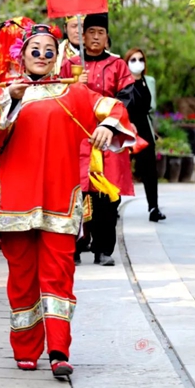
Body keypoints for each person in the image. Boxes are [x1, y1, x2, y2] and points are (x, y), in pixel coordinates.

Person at [0, 24, 135, 379]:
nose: (42, 55)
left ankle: (59, 349)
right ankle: (26, 348)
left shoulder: (74, 92)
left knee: (59, 277)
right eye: (35, 49)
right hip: (16, 201)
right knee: (22, 279)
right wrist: (11, 98)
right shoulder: (3, 91)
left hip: (60, 199)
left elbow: (115, 108)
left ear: (57, 56)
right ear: (22, 55)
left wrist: (108, 126)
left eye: (49, 50)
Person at [61, 13, 136, 266]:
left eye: (100, 33)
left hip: (107, 138)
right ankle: (75, 246)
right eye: (90, 32)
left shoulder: (118, 66)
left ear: (107, 37)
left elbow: (127, 98)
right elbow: (56, 94)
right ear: (81, 36)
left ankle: (103, 249)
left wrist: (110, 125)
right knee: (76, 194)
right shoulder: (70, 63)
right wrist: (72, 82)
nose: (95, 37)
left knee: (106, 197)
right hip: (77, 137)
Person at [124, 47, 166, 222]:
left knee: (150, 170)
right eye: (133, 60)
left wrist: (153, 131)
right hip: (126, 129)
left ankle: (153, 207)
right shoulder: (123, 82)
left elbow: (151, 108)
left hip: (145, 129)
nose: (137, 63)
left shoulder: (148, 81)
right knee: (120, 169)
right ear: (126, 63)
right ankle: (113, 207)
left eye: (140, 59)